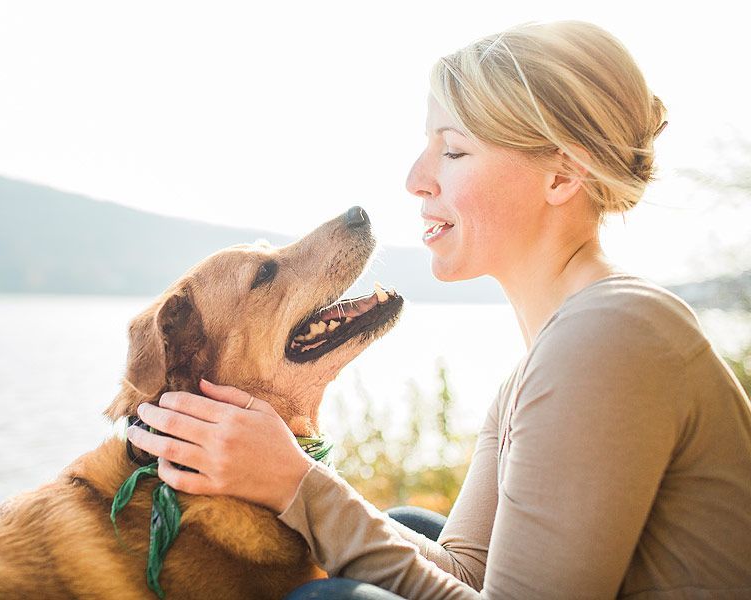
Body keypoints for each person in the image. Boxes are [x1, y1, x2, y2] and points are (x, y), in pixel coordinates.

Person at [126, 19, 751, 599]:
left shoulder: (609, 338)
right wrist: (300, 486)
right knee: (406, 525)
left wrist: (295, 484)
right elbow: (464, 575)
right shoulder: (553, 354)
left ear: (562, 176)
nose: (416, 178)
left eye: (452, 151)